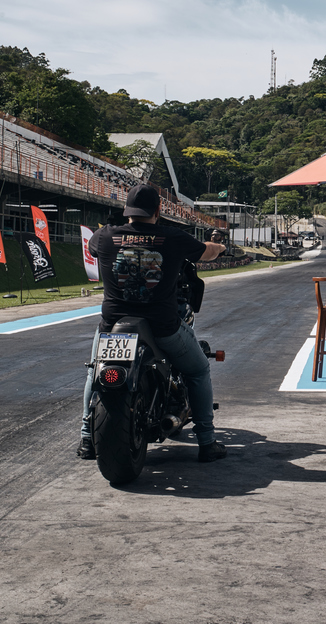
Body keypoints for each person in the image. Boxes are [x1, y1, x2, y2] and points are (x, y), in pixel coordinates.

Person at [77, 185, 227, 463]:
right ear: (158, 210)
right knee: (198, 370)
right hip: (161, 326)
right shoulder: (172, 237)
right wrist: (220, 246)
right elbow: (206, 252)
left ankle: (87, 438)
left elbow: (93, 248)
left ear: (127, 210)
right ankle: (206, 442)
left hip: (113, 326)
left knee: (94, 372)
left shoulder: (105, 235)